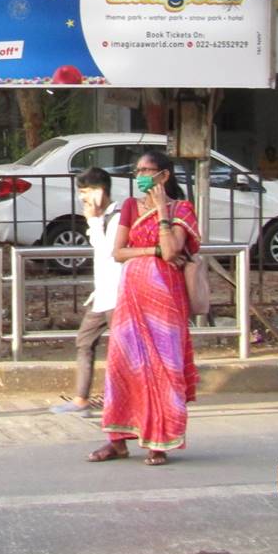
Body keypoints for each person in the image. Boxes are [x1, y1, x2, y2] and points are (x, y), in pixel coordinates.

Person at [87, 150, 199, 466]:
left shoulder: (182, 209)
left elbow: (172, 250)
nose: (140, 176)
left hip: (166, 302)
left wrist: (163, 210)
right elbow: (119, 252)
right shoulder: (131, 207)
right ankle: (118, 441)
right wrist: (151, 251)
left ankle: (159, 441)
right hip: (132, 298)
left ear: (164, 175)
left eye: (146, 170)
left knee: (163, 368)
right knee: (124, 366)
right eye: (137, 171)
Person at [50, 167, 122, 417]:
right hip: (103, 295)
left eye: (86, 191)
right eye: (81, 192)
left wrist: (93, 220)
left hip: (118, 296)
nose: (83, 198)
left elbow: (110, 252)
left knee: (121, 350)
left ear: (100, 191)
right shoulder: (103, 218)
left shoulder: (118, 217)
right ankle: (81, 399)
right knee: (84, 341)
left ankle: (122, 403)